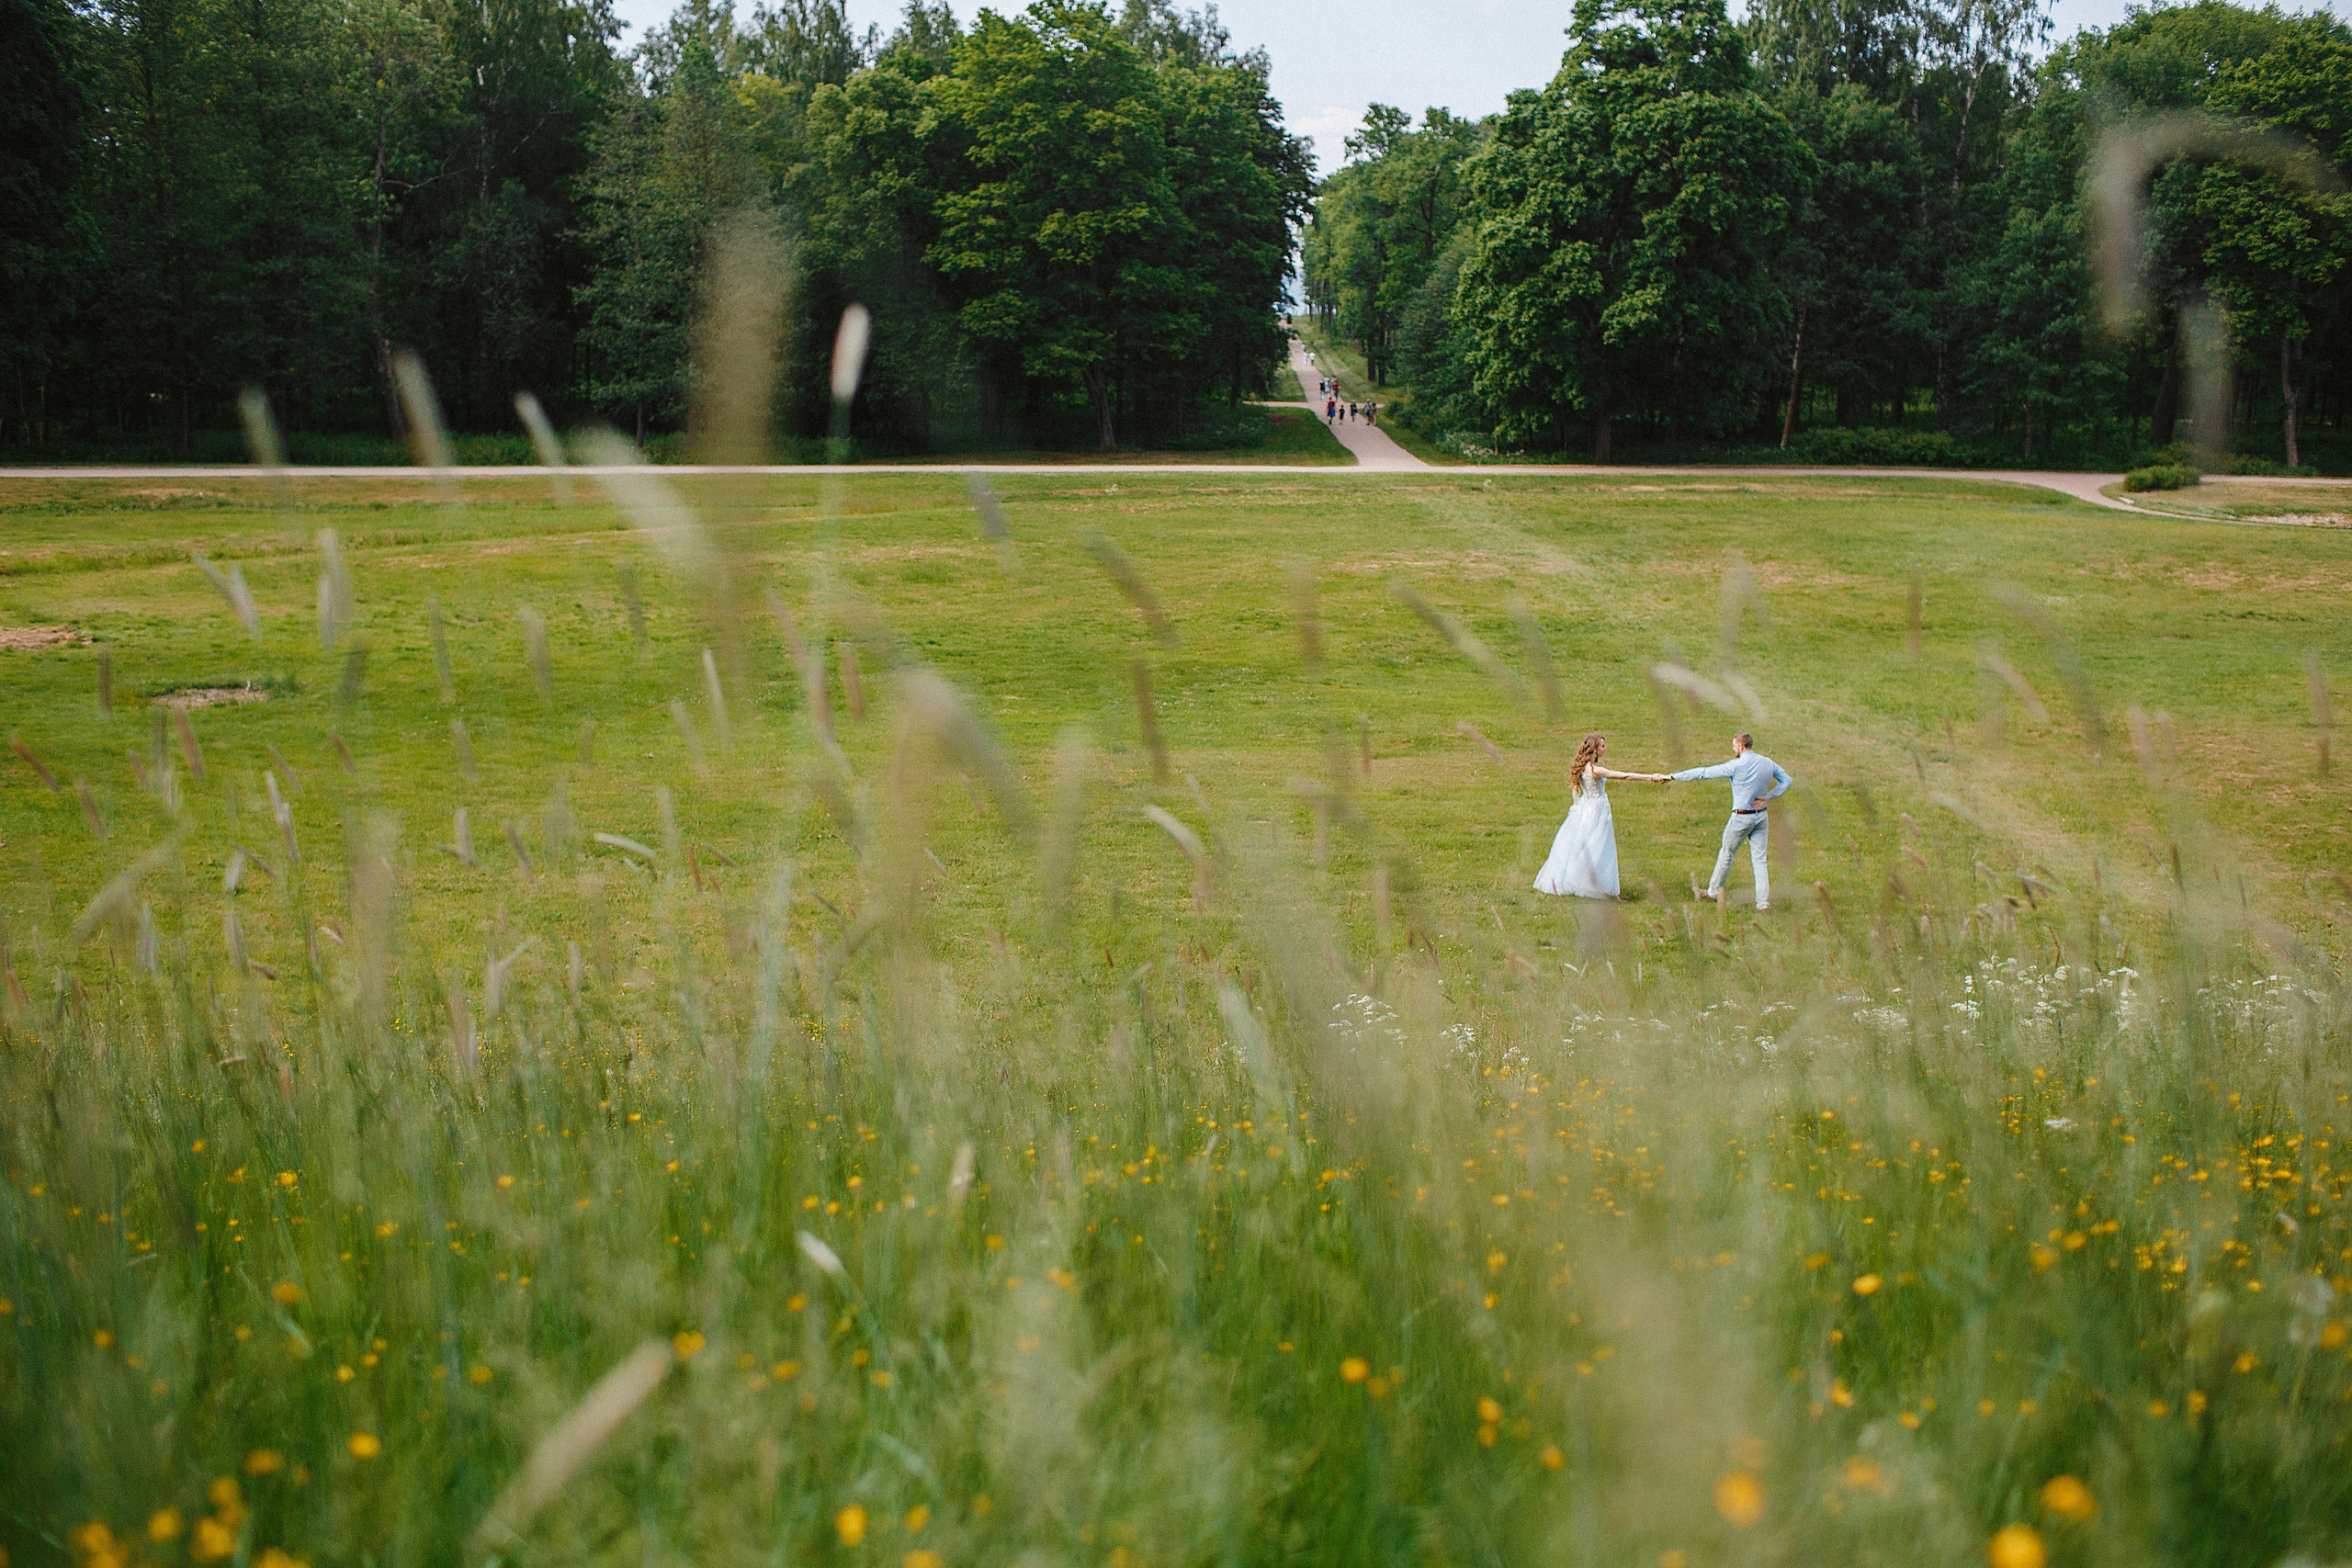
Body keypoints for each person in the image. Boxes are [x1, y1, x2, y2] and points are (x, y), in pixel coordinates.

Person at [1533, 733, 1669, 899]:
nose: (1605, 749)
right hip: (1597, 811)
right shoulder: (1595, 770)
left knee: (1583, 847)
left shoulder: (1582, 768)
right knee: (1600, 848)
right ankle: (1601, 889)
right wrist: (1651, 777)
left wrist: (1576, 805)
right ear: (1594, 749)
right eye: (1602, 746)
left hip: (1586, 808)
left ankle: (1584, 883)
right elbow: (1624, 775)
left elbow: (1576, 789)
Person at [1669, 731, 1792, 909]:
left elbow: (1704, 773)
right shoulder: (1767, 762)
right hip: (1761, 816)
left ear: (1741, 746)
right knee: (1760, 861)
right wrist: (1769, 797)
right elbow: (1786, 781)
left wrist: (1674, 776)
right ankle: (1763, 904)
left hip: (1741, 817)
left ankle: (1712, 892)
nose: (1733, 749)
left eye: (1734, 745)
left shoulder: (1736, 766)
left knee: (1727, 853)